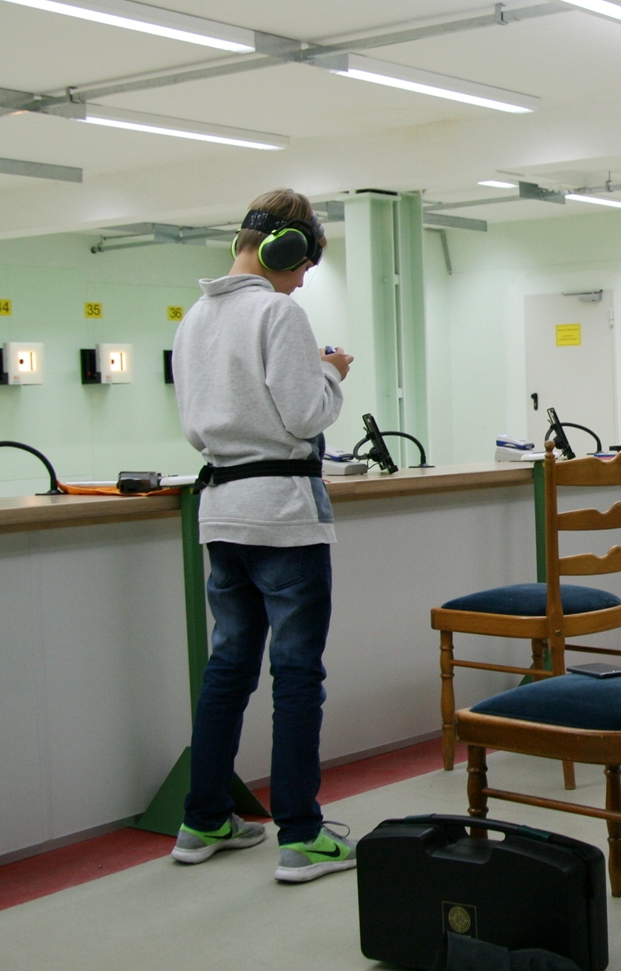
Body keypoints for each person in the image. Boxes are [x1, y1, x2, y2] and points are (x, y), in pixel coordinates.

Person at [169, 188, 359, 883]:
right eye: (304, 265)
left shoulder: (194, 318)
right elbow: (305, 415)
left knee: (228, 668)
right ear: (286, 249)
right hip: (283, 512)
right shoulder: (279, 313)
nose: (303, 280)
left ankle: (204, 818)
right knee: (297, 673)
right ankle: (302, 835)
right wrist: (331, 372)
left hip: (221, 512)